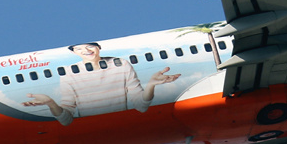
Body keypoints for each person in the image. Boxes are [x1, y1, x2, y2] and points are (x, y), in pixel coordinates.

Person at [22, 43, 180, 126]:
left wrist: (151, 84)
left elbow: (140, 105)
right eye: (79, 49)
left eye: (90, 46)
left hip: (124, 126)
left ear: (98, 48)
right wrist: (50, 103)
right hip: (93, 129)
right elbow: (67, 119)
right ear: (75, 52)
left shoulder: (120, 64)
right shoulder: (69, 74)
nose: (86, 50)